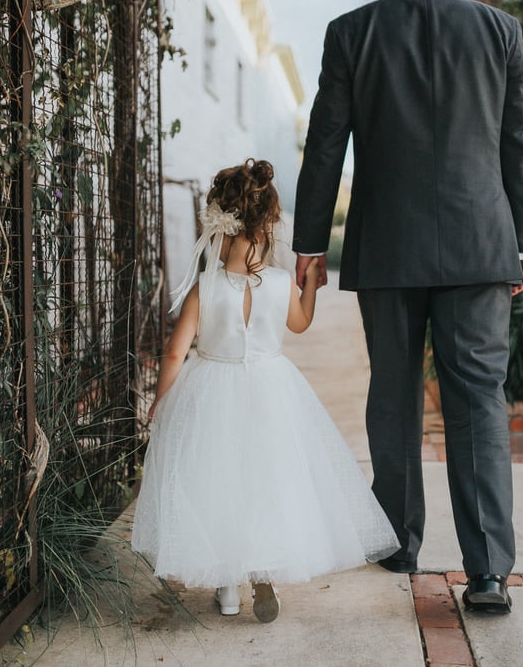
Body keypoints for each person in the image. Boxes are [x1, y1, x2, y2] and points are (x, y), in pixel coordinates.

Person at [293, 0, 523, 614]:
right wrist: (522, 242)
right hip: (479, 247)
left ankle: (400, 540)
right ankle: (487, 571)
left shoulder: (351, 32)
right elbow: (518, 142)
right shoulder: (500, 31)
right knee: (478, 402)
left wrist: (310, 244)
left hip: (387, 249)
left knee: (394, 396)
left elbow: (324, 147)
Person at [131, 158, 398, 622]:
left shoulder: (204, 287)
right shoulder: (277, 283)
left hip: (212, 388)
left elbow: (175, 353)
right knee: (267, 479)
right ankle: (263, 575)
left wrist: (162, 400)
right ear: (267, 227)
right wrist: (310, 284)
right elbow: (300, 322)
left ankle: (228, 590)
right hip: (272, 390)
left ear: (222, 225)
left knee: (219, 483)